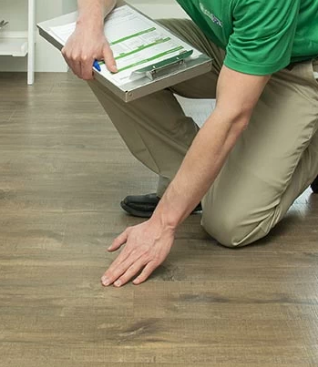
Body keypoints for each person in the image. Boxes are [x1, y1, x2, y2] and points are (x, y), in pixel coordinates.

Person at [62, 0, 318, 287]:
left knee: (230, 224)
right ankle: (192, 187)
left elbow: (231, 116)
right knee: (96, 54)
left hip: (299, 68)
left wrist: (162, 224)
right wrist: (89, 24)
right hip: (230, 41)